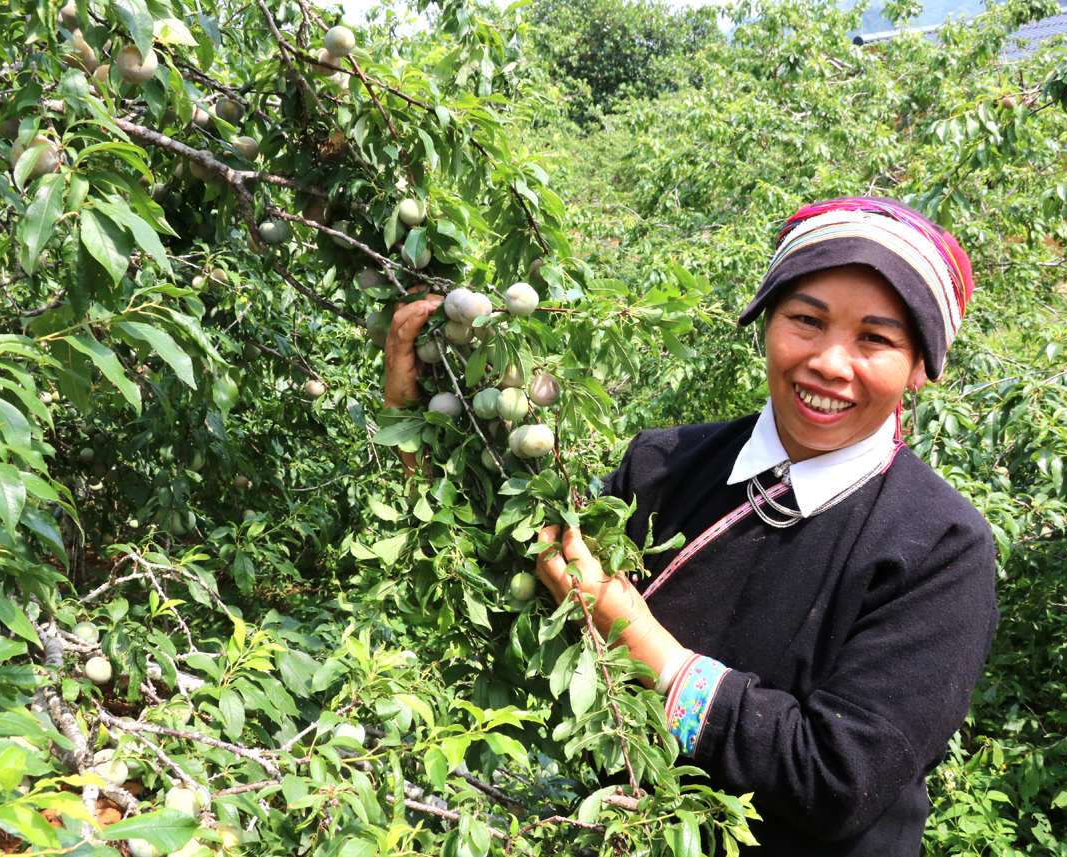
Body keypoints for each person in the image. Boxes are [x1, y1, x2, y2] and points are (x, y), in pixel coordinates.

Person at [384, 197, 999, 856]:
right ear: (766, 323)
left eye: (875, 338)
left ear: (920, 368)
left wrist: (637, 634)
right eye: (805, 320)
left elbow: (840, 780)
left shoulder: (940, 545)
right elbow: (522, 598)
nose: (828, 361)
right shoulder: (662, 464)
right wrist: (418, 424)